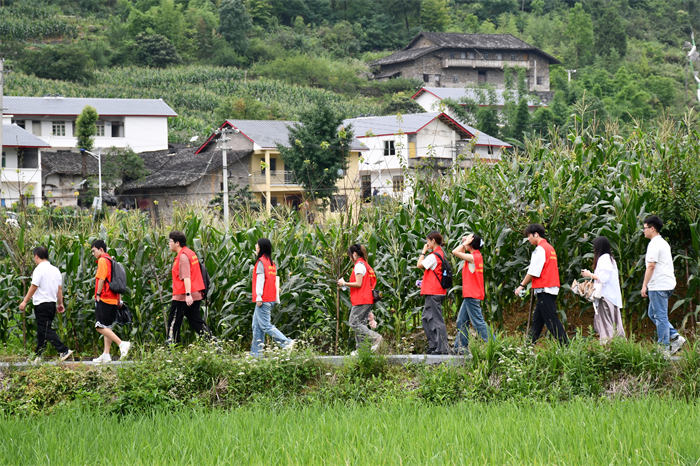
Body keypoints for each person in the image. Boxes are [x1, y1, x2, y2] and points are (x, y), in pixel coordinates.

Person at [514, 224, 569, 345]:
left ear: (536, 234)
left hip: (545, 289)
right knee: (537, 322)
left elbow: (533, 272)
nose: (528, 239)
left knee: (551, 320)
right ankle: (527, 347)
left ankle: (566, 346)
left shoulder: (540, 249)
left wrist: (521, 285)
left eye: (529, 236)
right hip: (549, 288)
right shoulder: (550, 248)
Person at [641, 215, 686, 354]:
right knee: (652, 313)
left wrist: (644, 286)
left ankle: (663, 349)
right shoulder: (663, 243)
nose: (643, 231)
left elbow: (651, 266)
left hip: (658, 286)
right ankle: (675, 337)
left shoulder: (654, 244)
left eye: (645, 228)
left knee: (660, 317)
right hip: (666, 284)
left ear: (652, 228)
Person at [19, 247, 73, 362]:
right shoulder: (55, 270)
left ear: (36, 256)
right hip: (51, 304)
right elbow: (59, 289)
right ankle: (38, 356)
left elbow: (34, 286)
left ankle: (63, 350)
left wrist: (25, 301)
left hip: (42, 304)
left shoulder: (39, 269)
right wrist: (60, 303)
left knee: (45, 329)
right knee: (42, 330)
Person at [250, 238, 294, 356]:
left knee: (265, 326)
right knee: (256, 326)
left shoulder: (261, 262)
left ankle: (286, 343)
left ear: (261, 248)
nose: (256, 247)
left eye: (257, 245)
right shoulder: (271, 263)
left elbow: (260, 280)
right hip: (270, 298)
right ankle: (256, 354)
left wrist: (259, 296)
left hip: (263, 299)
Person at [167, 231, 212, 344]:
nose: (169, 243)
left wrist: (187, 295)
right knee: (196, 322)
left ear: (177, 243)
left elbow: (186, 276)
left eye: (170, 241)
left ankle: (171, 347)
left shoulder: (182, 256)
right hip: (195, 294)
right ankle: (213, 343)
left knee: (173, 322)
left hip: (183, 296)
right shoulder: (190, 253)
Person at [90, 240, 131, 363]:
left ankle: (122, 344)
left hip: (105, 297)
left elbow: (101, 278)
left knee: (99, 326)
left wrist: (97, 294)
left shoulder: (103, 260)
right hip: (113, 298)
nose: (93, 254)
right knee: (107, 326)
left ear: (101, 249)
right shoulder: (111, 260)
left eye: (94, 251)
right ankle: (106, 354)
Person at [338, 244, 382, 355]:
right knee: (360, 323)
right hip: (367, 298)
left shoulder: (359, 266)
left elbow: (358, 283)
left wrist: (344, 283)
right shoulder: (366, 265)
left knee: (354, 322)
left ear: (354, 254)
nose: (350, 258)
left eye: (350, 255)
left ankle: (376, 338)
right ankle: (362, 350)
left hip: (361, 299)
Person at [452, 233, 493, 354]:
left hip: (472, 295)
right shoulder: (475, 256)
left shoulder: (474, 257)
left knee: (478, 322)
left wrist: (464, 244)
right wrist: (466, 243)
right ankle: (460, 348)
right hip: (470, 295)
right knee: (461, 321)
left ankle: (494, 344)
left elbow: (455, 252)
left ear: (471, 243)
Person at [581, 236, 626, 343]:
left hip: (606, 297)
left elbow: (603, 278)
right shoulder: (610, 259)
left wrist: (589, 274)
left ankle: (608, 350)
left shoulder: (604, 259)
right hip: (612, 297)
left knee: (606, 325)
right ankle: (619, 348)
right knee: (614, 324)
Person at [417, 231, 450, 355]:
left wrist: (423, 252)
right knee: (426, 318)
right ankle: (434, 345)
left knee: (436, 320)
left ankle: (442, 348)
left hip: (434, 292)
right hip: (435, 291)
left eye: (428, 241)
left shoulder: (434, 256)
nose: (427, 243)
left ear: (433, 241)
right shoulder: (440, 253)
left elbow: (419, 264)